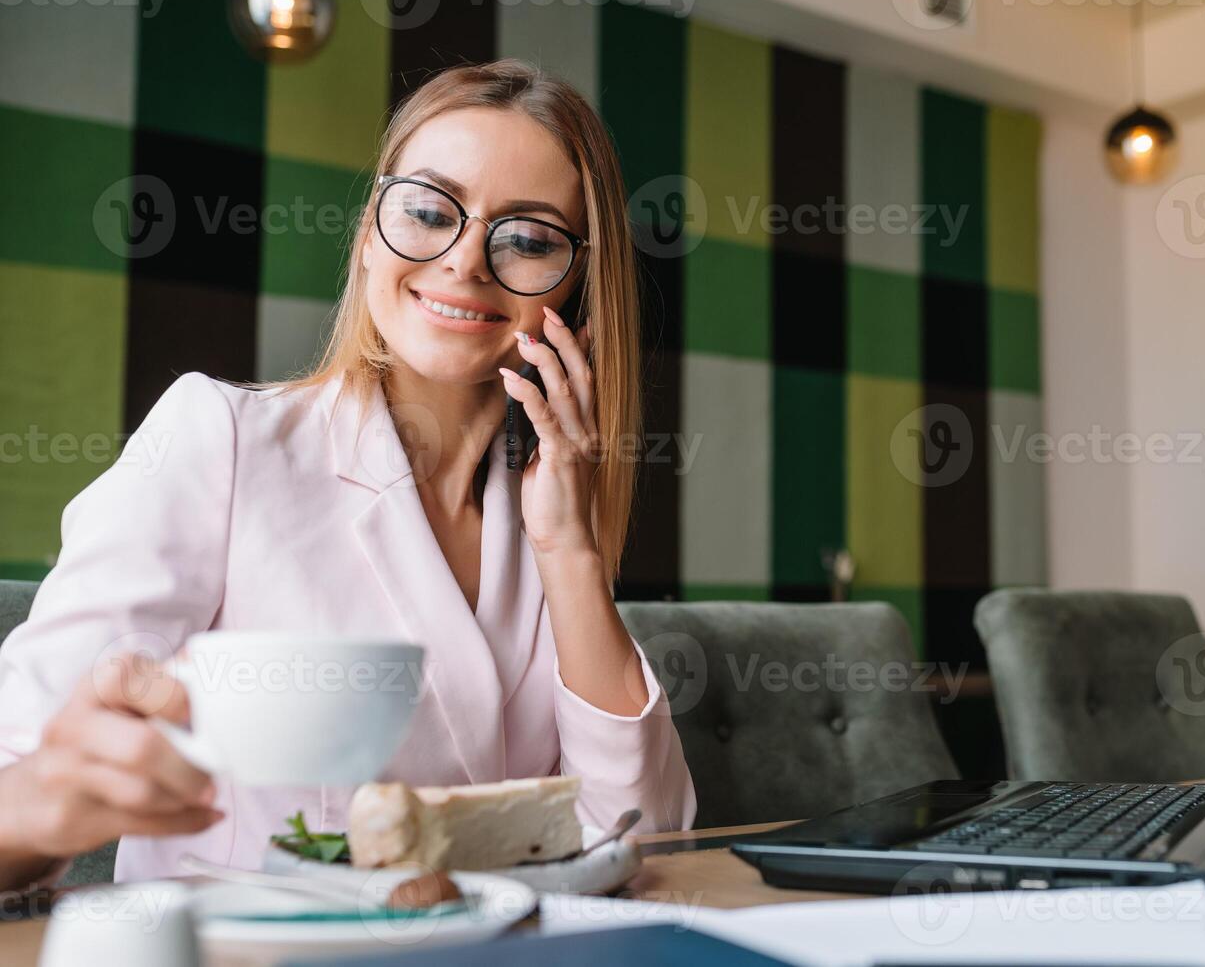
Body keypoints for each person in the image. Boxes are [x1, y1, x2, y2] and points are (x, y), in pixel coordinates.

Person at [0, 60, 696, 891]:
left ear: (574, 291)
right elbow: (21, 780)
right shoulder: (217, 437)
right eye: (431, 212)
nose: (465, 261)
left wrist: (573, 555)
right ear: (370, 234)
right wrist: (59, 792)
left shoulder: (548, 517)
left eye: (529, 239)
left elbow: (645, 842)